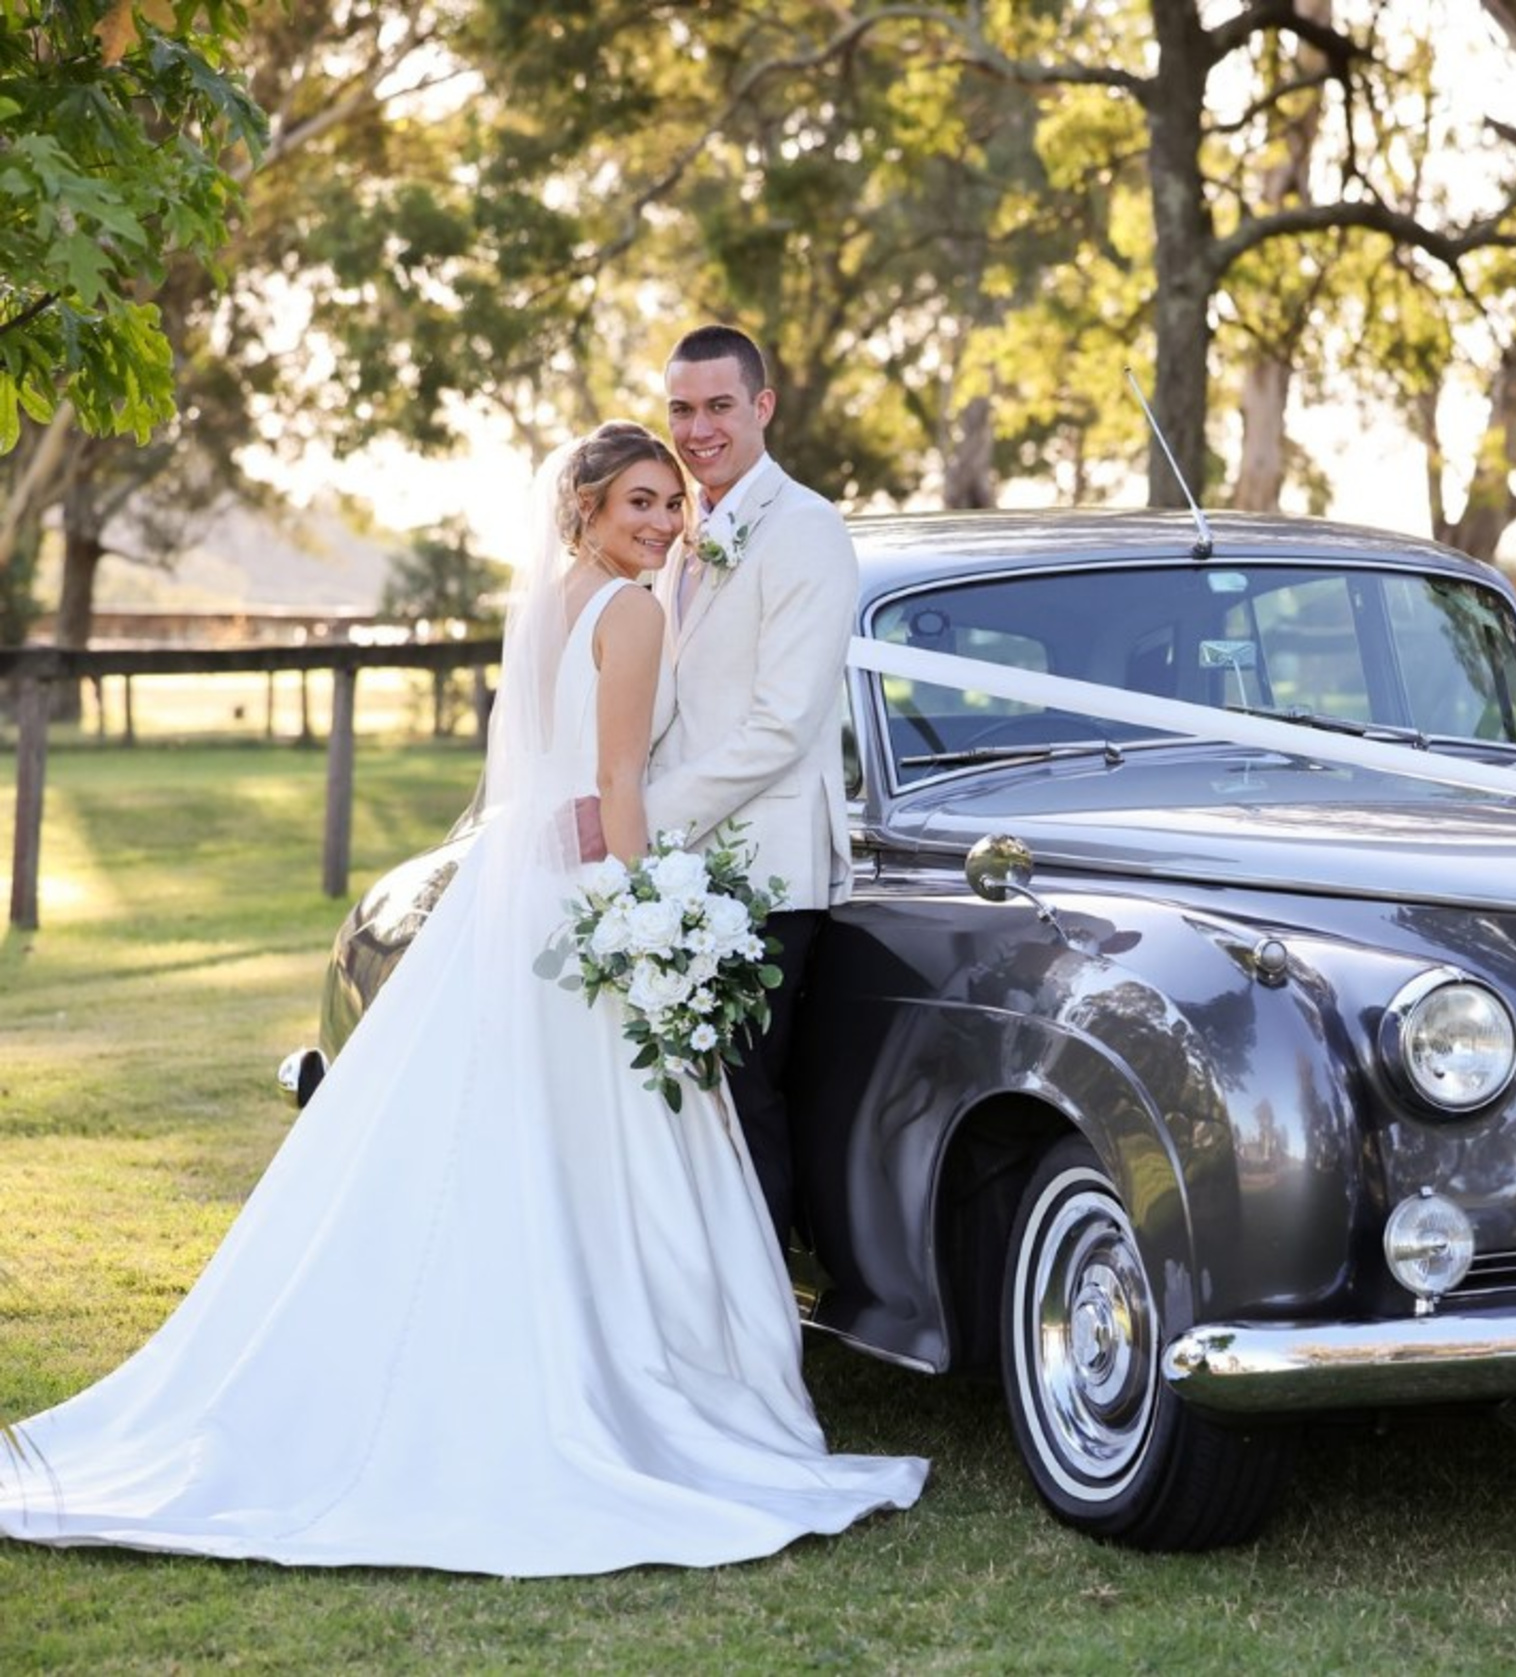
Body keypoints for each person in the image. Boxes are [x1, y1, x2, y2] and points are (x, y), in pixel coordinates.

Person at [0, 421, 926, 1576]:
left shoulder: (550, 606)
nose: (660, 523)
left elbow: (544, 774)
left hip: (515, 889)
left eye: (669, 505)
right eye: (637, 502)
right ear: (582, 506)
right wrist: (653, 922)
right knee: (607, 1152)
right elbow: (620, 786)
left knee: (496, 1141)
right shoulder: (631, 611)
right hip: (589, 896)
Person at [646, 325, 859, 1248]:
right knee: (685, 1104)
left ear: (762, 407)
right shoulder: (680, 538)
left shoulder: (806, 528)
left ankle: (767, 1333)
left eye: (719, 406)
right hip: (677, 874)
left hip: (763, 873)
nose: (699, 430)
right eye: (682, 409)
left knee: (741, 1104)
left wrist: (644, 819)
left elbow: (782, 721)